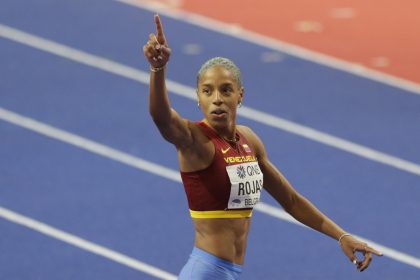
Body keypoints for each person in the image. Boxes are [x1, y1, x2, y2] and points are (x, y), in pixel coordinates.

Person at [143, 15, 383, 279]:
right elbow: (161, 117)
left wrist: (341, 236)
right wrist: (158, 70)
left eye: (225, 90)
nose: (217, 99)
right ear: (198, 98)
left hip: (230, 272)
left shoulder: (249, 140)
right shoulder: (195, 141)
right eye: (207, 91)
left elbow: (291, 200)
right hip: (206, 271)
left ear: (240, 95)